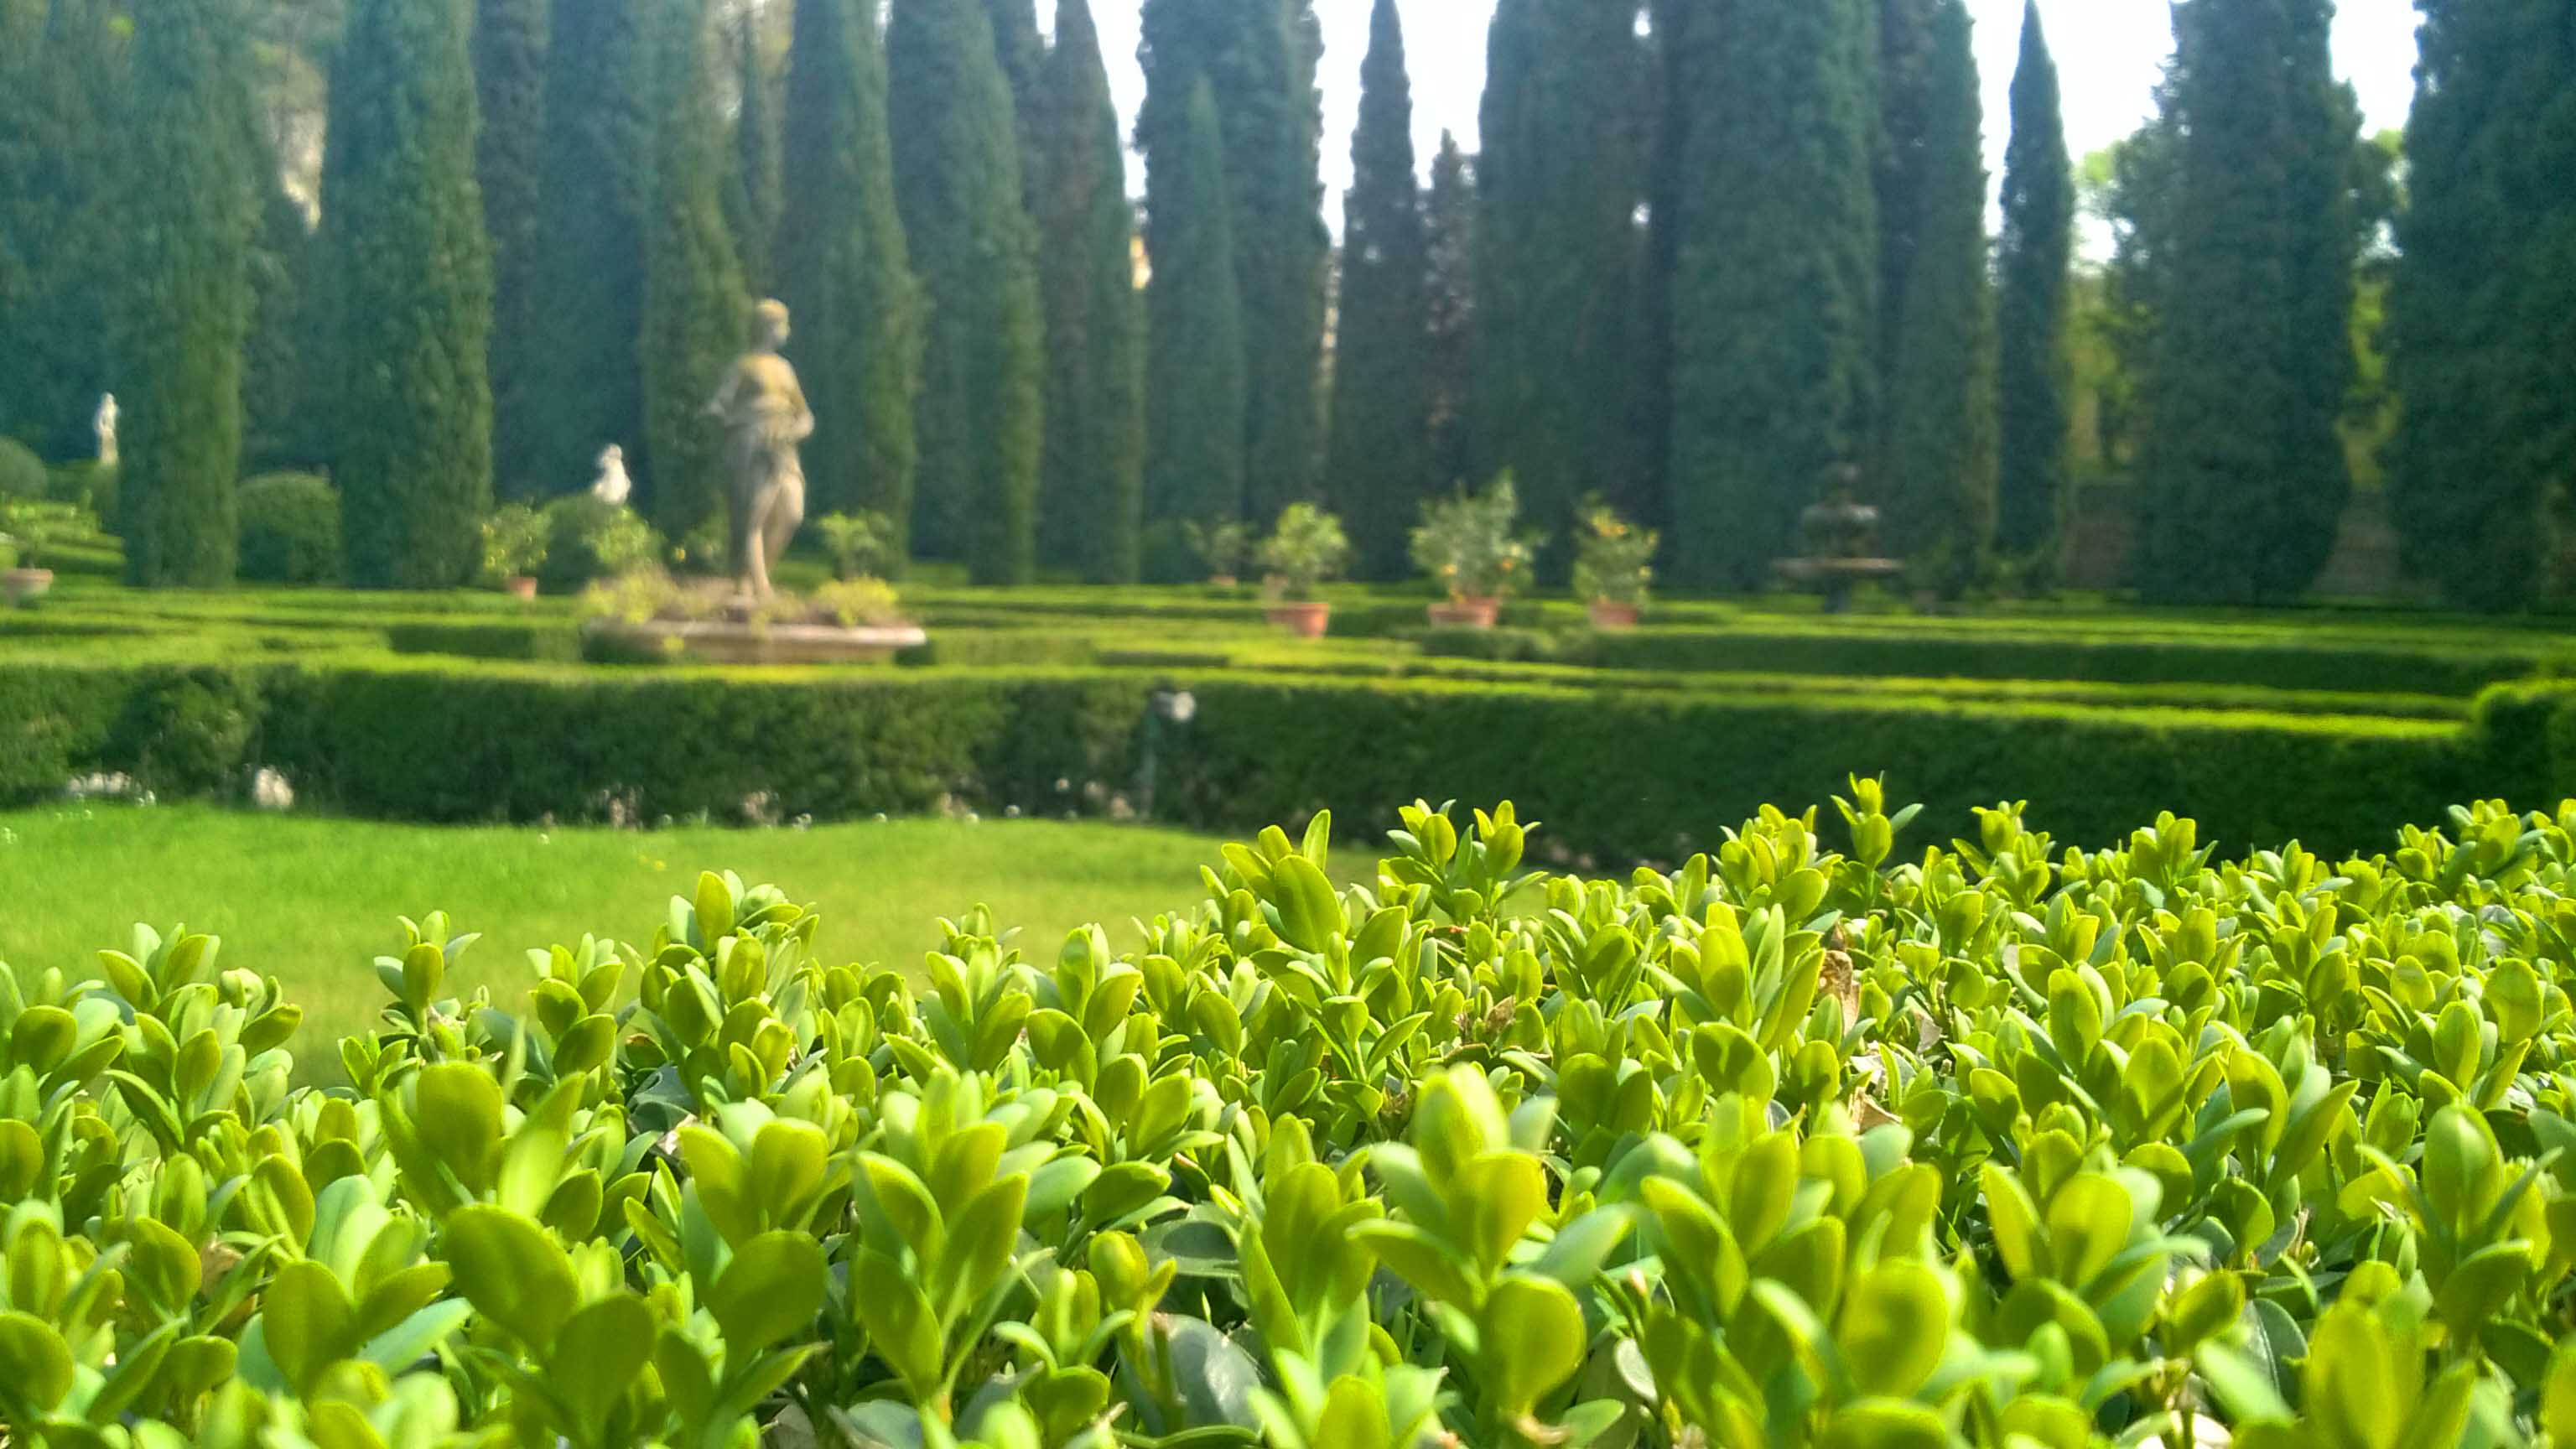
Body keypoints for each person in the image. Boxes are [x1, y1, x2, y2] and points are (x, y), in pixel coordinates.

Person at [704, 300, 814, 599]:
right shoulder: (745, 366)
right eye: (783, 325)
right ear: (767, 327)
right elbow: (721, 401)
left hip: (783, 445)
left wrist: (798, 430)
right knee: (755, 514)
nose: (786, 331)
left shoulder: (785, 369)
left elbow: (804, 414)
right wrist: (721, 416)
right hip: (751, 442)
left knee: (792, 512)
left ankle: (752, 576)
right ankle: (760, 587)